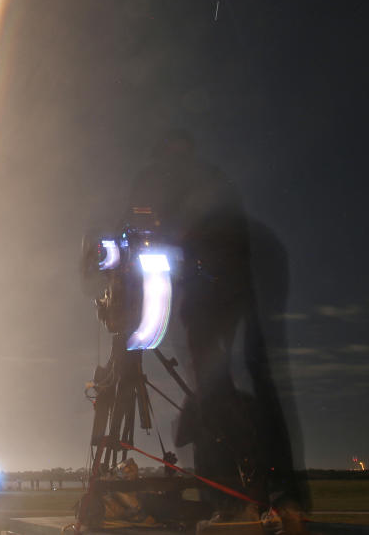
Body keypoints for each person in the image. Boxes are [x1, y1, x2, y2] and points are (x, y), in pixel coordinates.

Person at [128, 130, 306, 532]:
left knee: (213, 383)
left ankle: (233, 497)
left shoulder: (167, 183)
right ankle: (281, 494)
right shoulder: (214, 180)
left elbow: (157, 233)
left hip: (219, 276)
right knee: (256, 377)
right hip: (247, 266)